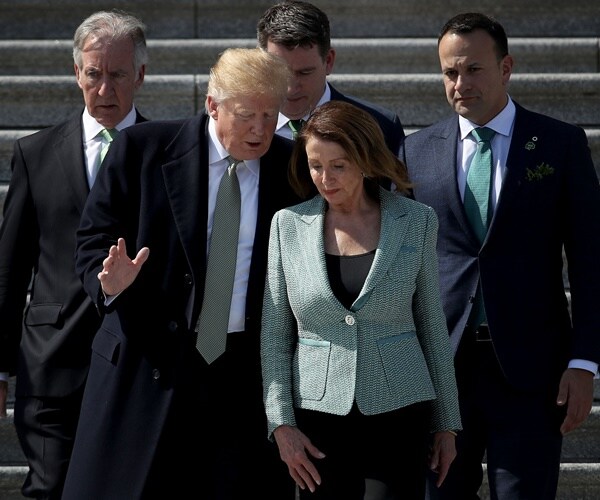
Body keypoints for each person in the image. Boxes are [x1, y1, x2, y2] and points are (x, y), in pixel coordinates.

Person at [61, 47, 299, 500]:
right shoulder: (143, 149)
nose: (260, 130)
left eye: (270, 116)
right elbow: (93, 240)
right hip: (148, 365)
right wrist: (108, 282)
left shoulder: (291, 166)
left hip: (241, 375)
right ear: (213, 104)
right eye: (248, 115)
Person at [399, 12, 600, 500]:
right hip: (442, 375)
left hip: (533, 375)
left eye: (473, 70)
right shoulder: (416, 152)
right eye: (450, 73)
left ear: (506, 67)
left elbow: (592, 261)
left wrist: (585, 361)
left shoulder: (559, 143)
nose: (460, 84)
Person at [261, 100, 462, 499]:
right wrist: (281, 423)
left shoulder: (416, 220)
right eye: (315, 165)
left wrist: (447, 422)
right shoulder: (287, 226)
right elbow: (275, 334)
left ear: (366, 160)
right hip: (317, 416)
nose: (324, 178)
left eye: (338, 165)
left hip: (400, 410)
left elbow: (432, 325)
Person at [0, 10, 147, 500]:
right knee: (51, 489)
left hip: (135, 364)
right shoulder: (34, 154)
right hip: (51, 362)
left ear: (141, 76)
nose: (105, 89)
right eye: (93, 74)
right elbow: (10, 268)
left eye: (118, 75)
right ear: (76, 74)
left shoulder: (167, 153)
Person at [257, 0, 405, 155]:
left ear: (328, 61)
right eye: (280, 73)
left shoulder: (380, 126)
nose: (291, 88)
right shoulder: (241, 128)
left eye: (305, 72)